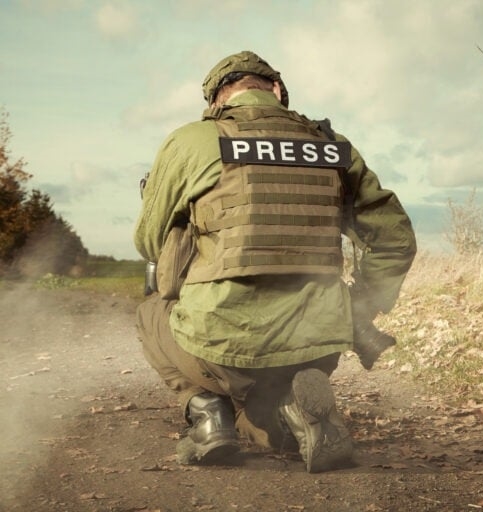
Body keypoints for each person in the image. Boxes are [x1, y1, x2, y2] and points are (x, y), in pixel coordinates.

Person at [133, 50, 416, 473]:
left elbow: (148, 242)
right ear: (277, 90)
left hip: (220, 346)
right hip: (316, 346)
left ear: (216, 101)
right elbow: (395, 239)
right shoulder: (331, 146)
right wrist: (359, 306)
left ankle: (207, 409)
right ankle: (292, 406)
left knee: (149, 313)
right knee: (267, 418)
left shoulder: (192, 140)